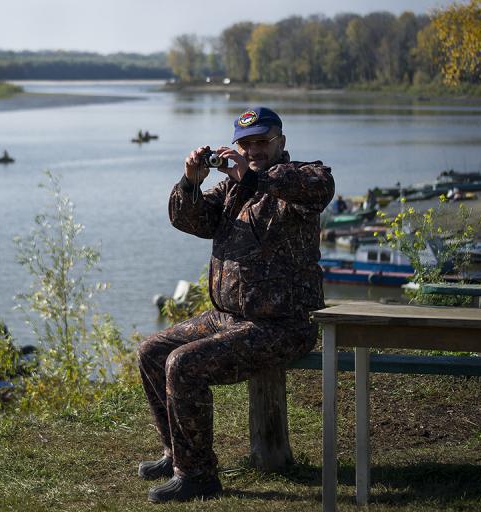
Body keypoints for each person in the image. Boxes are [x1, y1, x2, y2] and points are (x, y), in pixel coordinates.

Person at [137, 106, 334, 503]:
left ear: (280, 142)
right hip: (227, 318)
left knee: (184, 364)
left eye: (262, 141)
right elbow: (190, 220)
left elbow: (318, 186)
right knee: (152, 352)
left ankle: (199, 476)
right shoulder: (231, 190)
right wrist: (190, 182)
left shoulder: (299, 180)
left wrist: (255, 176)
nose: (254, 149)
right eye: (246, 143)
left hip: (282, 325)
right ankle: (177, 453)